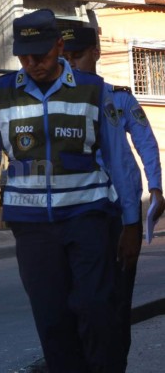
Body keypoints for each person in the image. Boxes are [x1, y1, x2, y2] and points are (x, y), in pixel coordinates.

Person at [0, 9, 142, 372]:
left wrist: (132, 221)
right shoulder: (2, 94)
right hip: (32, 229)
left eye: (41, 56)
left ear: (59, 47)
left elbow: (119, 159)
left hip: (88, 219)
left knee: (96, 309)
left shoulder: (93, 92)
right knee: (52, 319)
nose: (33, 64)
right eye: (24, 57)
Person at [62, 26, 165, 368]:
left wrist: (155, 187)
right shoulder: (55, 102)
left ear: (95, 52)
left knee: (118, 300)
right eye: (65, 57)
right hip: (78, 214)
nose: (71, 64)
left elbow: (145, 143)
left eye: (77, 56)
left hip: (121, 213)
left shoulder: (118, 99)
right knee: (80, 303)